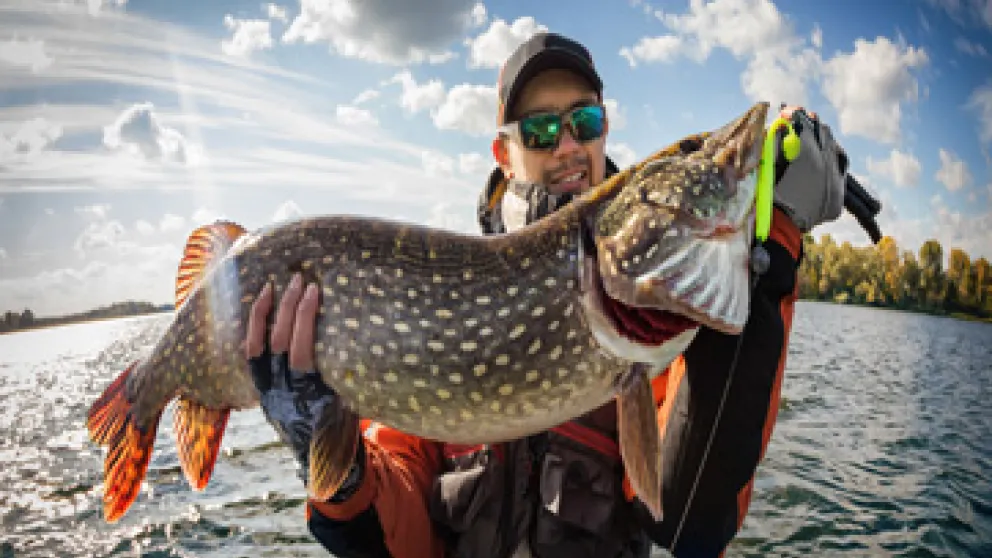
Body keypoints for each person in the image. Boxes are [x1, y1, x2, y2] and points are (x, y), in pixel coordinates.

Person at [242, 31, 847, 558]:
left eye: (585, 122)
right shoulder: (434, 300)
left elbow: (690, 523)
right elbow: (398, 536)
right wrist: (344, 476)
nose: (567, 146)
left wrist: (773, 246)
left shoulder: (657, 320)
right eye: (539, 130)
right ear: (503, 155)